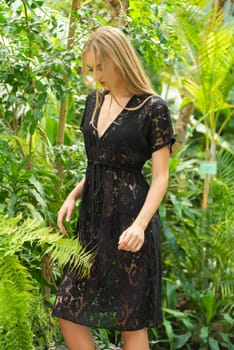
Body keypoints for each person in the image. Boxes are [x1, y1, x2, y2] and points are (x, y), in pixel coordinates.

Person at [53, 26, 175, 350]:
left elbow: (161, 177)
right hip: (92, 225)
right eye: (91, 69)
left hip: (131, 225)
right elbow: (100, 164)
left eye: (100, 67)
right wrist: (73, 194)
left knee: (130, 322)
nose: (96, 76)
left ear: (118, 60)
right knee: (67, 309)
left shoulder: (152, 108)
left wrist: (140, 225)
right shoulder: (93, 102)